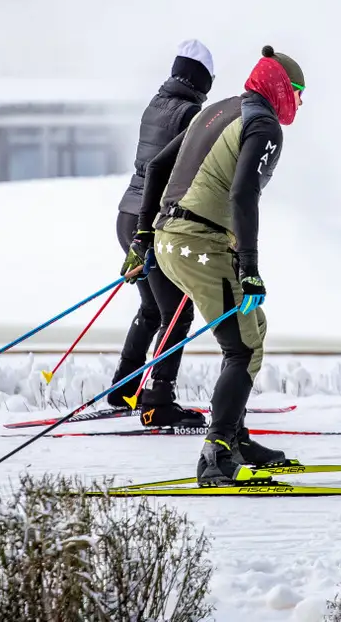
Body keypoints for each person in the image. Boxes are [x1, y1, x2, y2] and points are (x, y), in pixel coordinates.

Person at [129, 44, 305, 485]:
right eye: (299, 92)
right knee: (243, 345)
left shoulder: (223, 108)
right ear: (282, 89)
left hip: (172, 237)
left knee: (253, 328)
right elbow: (243, 194)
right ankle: (217, 453)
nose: (300, 103)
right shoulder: (262, 124)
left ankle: (236, 437)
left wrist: (144, 235)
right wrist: (249, 267)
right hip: (200, 243)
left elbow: (155, 166)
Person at [109, 39, 215, 427]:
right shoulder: (190, 115)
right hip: (152, 223)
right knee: (178, 311)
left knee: (153, 308)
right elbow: (180, 174)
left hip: (126, 214)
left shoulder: (155, 105)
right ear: (201, 80)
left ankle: (125, 388)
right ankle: (158, 400)